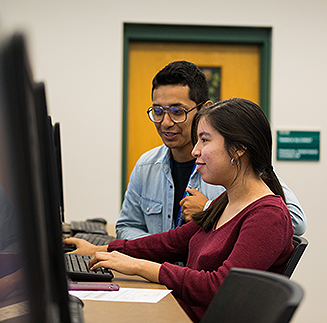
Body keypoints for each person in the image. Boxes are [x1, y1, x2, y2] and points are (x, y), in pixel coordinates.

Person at [64, 98, 294, 323]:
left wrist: (138, 266)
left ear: (239, 149)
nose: (195, 151)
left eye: (204, 140)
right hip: (179, 311)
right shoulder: (225, 201)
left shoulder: (268, 215)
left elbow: (218, 287)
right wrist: (102, 249)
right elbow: (172, 242)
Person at [116, 61, 306, 240]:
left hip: (206, 272)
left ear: (204, 109)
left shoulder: (233, 165)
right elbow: (126, 226)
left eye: (177, 112)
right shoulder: (146, 166)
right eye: (158, 111)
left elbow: (296, 221)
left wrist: (210, 211)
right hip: (159, 273)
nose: (165, 122)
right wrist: (159, 249)